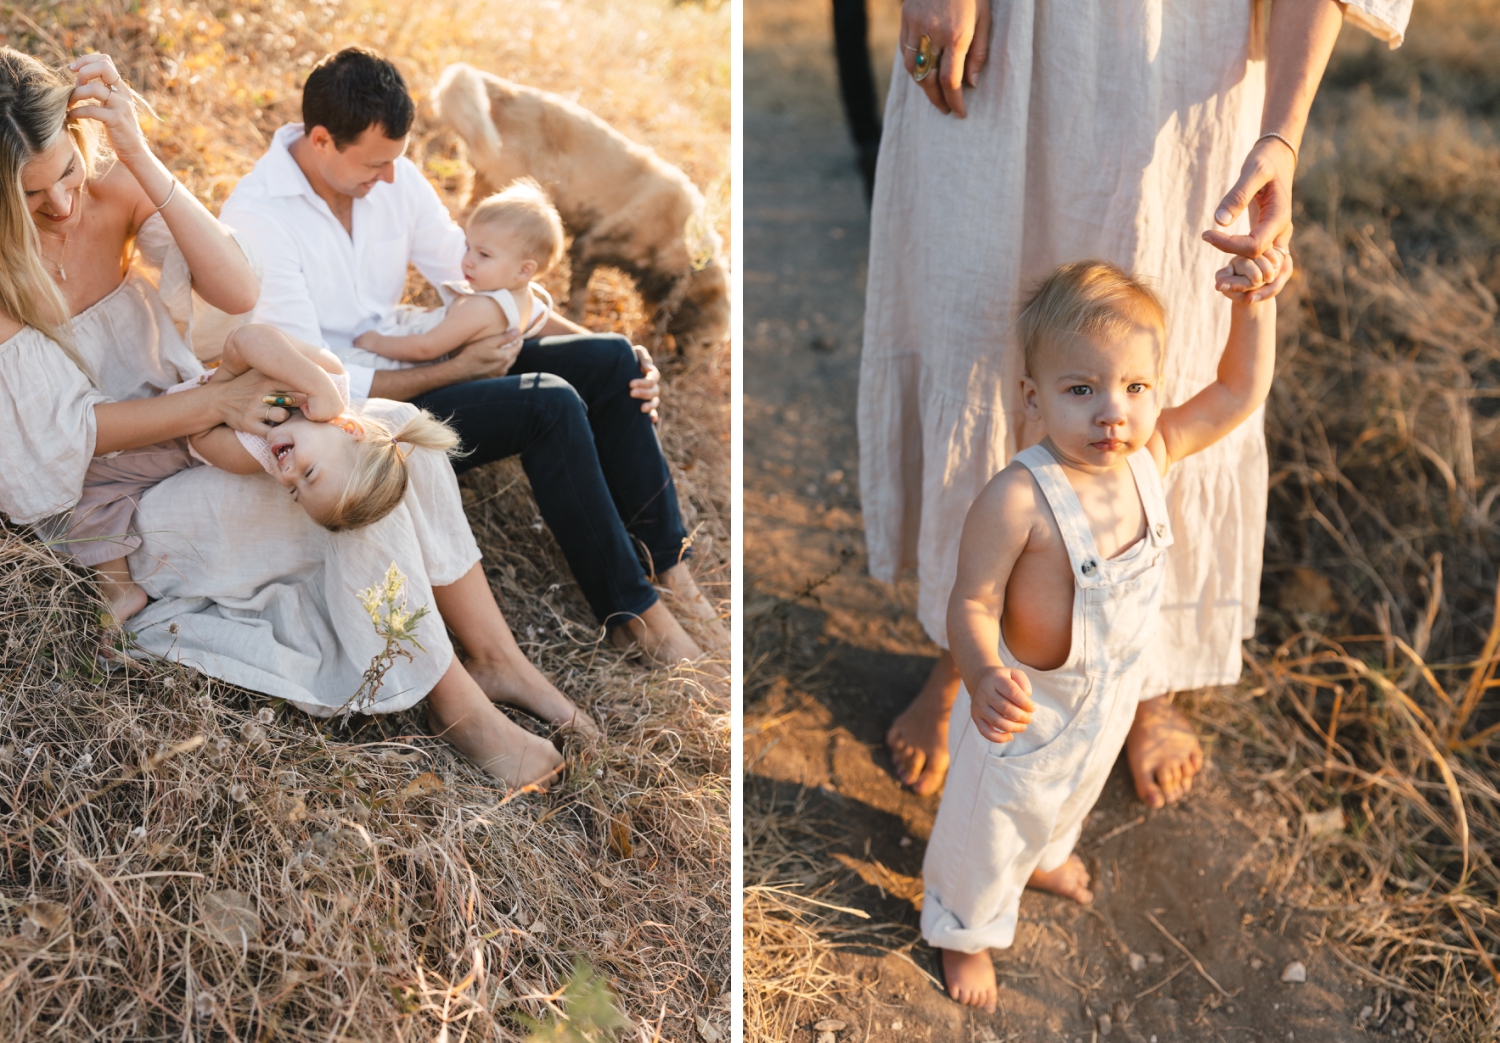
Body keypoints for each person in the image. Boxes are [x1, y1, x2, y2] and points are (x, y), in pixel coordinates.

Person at [864, 0, 1414, 805]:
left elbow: (1231, 390)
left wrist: (1280, 142)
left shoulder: (1152, 434)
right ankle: (969, 656)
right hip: (1010, 36)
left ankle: (1148, 673)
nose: (1116, 414)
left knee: (1159, 315)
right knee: (981, 316)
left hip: (1187, 55)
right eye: (1097, 401)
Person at [0, 47, 592, 788]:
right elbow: (68, 436)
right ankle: (460, 709)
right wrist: (217, 402)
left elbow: (238, 289)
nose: (61, 204)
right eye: (30, 196)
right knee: (350, 497)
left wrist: (138, 156)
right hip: (116, 494)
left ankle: (497, 657)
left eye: (67, 173)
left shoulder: (112, 189)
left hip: (199, 433)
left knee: (396, 442)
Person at [220, 47, 722, 666]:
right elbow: (319, 385)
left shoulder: (391, 173)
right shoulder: (258, 217)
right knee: (552, 405)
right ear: (321, 140)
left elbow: (477, 278)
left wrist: (594, 346)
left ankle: (669, 570)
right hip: (361, 414)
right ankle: (634, 615)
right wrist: (454, 370)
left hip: (426, 356)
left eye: (393, 163)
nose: (388, 179)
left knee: (612, 360)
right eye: (375, 165)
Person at [926, 255, 1283, 1011]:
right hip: (1026, 705)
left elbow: (1238, 390)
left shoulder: (1151, 458)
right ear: (1034, 397)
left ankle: (1048, 856)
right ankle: (962, 929)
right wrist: (985, 671)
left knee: (1070, 796)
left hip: (1108, 699)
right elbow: (972, 602)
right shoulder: (1018, 495)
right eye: (1081, 389)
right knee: (988, 823)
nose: (1111, 412)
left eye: (1134, 387)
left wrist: (1253, 306)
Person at [64, 323, 461, 623]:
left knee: (89, 484)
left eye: (294, 491)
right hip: (177, 389)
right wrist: (314, 386)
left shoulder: (253, 454)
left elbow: (197, 432)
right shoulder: (327, 376)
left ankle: (118, 589)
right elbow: (248, 337)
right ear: (350, 429)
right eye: (309, 473)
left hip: (165, 444)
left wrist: (223, 386)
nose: (286, 475)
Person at [354, 179, 561, 362]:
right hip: (408, 342)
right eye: (468, 247)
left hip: (404, 361)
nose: (468, 261)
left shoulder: (482, 307)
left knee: (347, 360)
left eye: (484, 255)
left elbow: (424, 348)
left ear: (524, 270)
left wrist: (376, 343)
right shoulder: (522, 298)